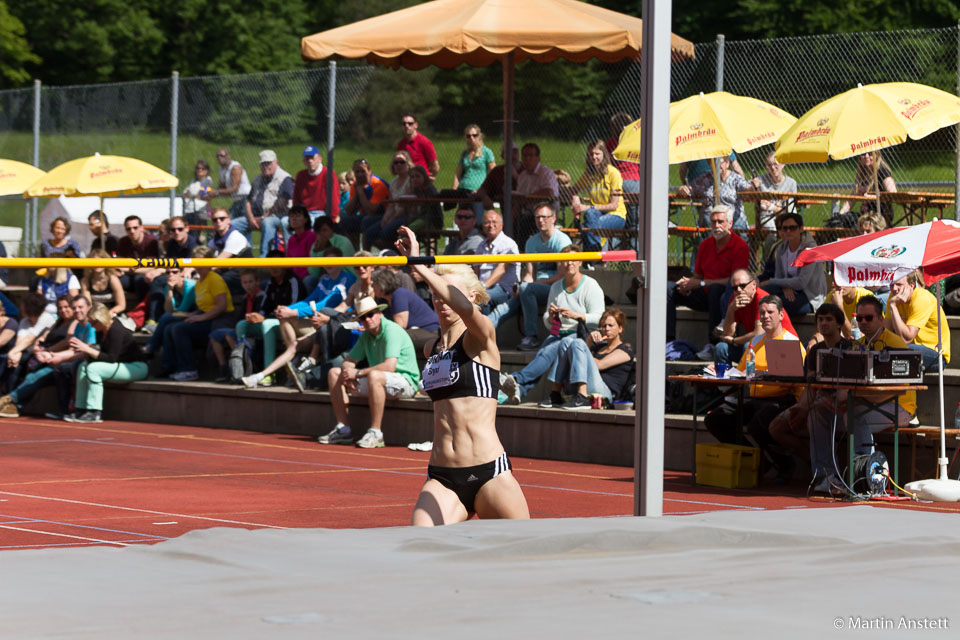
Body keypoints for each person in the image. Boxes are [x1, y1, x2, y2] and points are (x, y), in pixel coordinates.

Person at [393, 226, 528, 524]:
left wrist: (419, 264)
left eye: (449, 293)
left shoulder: (480, 338)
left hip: (489, 472)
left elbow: (463, 308)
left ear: (471, 296)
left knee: (521, 556)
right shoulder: (432, 348)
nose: (442, 299)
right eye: (436, 293)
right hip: (443, 477)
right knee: (421, 543)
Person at [808, 296, 916, 492]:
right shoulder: (857, 345)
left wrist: (856, 400)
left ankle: (864, 478)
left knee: (855, 414)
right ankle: (827, 477)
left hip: (900, 408)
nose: (863, 323)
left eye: (869, 318)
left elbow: (900, 389)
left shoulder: (895, 343)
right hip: (863, 405)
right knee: (817, 413)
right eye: (860, 318)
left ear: (881, 319)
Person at [703, 295, 804, 482]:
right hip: (753, 397)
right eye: (762, 313)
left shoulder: (790, 342)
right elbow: (740, 372)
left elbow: (796, 382)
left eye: (770, 312)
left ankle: (785, 464)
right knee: (715, 418)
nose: (765, 316)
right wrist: (718, 370)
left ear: (781, 315)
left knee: (758, 423)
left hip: (782, 399)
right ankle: (756, 460)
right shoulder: (756, 341)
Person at [500, 245, 605, 405]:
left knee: (546, 352)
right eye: (565, 260)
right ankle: (520, 389)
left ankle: (516, 379)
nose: (569, 263)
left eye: (573, 260)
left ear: (580, 262)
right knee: (543, 355)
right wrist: (551, 317)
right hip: (558, 333)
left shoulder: (591, 286)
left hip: (580, 336)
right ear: (560, 264)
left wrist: (577, 316)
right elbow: (549, 322)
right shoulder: (556, 287)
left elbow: (600, 319)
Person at [242, 248, 354, 389]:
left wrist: (293, 312)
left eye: (333, 260)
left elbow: (324, 305)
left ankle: (271, 371)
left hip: (331, 327)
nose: (329, 263)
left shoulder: (347, 280)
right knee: (287, 327)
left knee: (293, 339)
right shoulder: (324, 279)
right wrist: (288, 309)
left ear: (341, 261)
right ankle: (264, 374)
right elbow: (310, 300)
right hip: (318, 323)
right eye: (326, 260)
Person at [320, 296, 420, 449]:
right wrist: (348, 374)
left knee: (374, 375)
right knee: (334, 373)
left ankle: (376, 433)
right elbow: (348, 360)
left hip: (406, 382)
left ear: (379, 314)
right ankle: (343, 429)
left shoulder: (392, 330)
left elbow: (389, 366)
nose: (367, 319)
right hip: (380, 381)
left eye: (370, 314)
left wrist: (357, 374)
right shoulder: (366, 335)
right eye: (363, 318)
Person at [768, 303, 852, 478]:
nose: (824, 323)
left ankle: (827, 475)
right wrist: (802, 407)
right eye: (820, 319)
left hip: (841, 404)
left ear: (839, 324)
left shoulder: (849, 348)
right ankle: (814, 464)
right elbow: (811, 385)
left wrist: (807, 409)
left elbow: (847, 389)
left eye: (829, 319)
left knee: (814, 417)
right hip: (815, 400)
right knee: (776, 427)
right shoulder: (815, 350)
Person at [491, 202, 572, 350]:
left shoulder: (562, 241)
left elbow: (562, 275)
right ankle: (479, 333)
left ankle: (532, 337)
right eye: (537, 217)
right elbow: (529, 274)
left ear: (553, 218)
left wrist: (537, 284)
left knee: (527, 290)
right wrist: (522, 286)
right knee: (503, 308)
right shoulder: (531, 242)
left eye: (544, 217)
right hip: (533, 289)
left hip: (556, 288)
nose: (541, 221)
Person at [0, 295, 96, 419]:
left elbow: (78, 348)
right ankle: (13, 405)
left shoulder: (83, 325)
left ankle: (7, 400)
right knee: (17, 365)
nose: (65, 310)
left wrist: (53, 354)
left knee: (39, 375)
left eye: (68, 307)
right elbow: (43, 339)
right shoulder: (62, 323)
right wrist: (41, 351)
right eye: (61, 307)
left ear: (89, 307)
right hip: (51, 358)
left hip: (67, 361)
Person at [666, 205, 749, 343]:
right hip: (703, 293)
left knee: (715, 290)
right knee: (668, 289)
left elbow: (735, 283)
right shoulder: (705, 245)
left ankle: (714, 343)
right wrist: (688, 284)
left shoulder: (740, 246)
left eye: (720, 222)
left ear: (730, 224)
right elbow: (698, 276)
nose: (716, 225)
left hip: (724, 296)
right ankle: (668, 341)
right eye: (713, 222)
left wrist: (701, 283)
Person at [61, 302, 148, 424]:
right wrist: (85, 353)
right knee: (82, 366)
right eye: (90, 322)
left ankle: (94, 412)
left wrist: (87, 349)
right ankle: (80, 408)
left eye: (93, 322)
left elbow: (111, 358)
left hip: (136, 367)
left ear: (101, 319)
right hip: (119, 366)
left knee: (93, 369)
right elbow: (102, 355)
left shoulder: (116, 330)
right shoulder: (101, 330)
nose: (91, 325)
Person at [541, 307, 635, 410]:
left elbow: (599, 365)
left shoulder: (625, 350)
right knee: (565, 342)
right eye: (604, 326)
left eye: (610, 325)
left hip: (604, 393)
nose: (606, 329)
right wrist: (589, 340)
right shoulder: (599, 347)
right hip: (582, 385)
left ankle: (582, 397)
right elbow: (581, 357)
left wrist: (581, 350)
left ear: (620, 329)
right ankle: (555, 393)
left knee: (578, 343)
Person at [162, 246, 233, 381]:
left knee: (179, 329)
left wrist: (200, 317)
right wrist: (192, 315)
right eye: (196, 262)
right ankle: (170, 366)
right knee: (169, 326)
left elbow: (222, 306)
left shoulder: (214, 279)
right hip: (206, 317)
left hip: (219, 319)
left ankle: (189, 370)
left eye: (202, 262)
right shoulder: (200, 282)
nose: (199, 266)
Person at [235, 251, 305, 379]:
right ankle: (242, 369)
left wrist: (265, 317)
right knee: (242, 325)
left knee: (267, 324)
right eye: (270, 264)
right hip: (272, 321)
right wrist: (255, 316)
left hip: (290, 323)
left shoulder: (293, 281)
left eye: (277, 263)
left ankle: (268, 374)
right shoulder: (269, 283)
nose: (273, 267)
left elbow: (293, 309)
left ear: (284, 265)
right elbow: (264, 308)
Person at [716, 268, 797, 365]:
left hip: (782, 348)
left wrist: (734, 340)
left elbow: (758, 333)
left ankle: (749, 379)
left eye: (742, 286)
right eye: (734, 288)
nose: (738, 290)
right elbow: (727, 333)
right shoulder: (735, 300)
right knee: (721, 348)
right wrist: (730, 310)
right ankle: (724, 378)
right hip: (759, 345)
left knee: (749, 346)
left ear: (754, 285)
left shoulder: (762, 299)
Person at [759, 212, 827, 317]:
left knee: (777, 305)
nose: (788, 231)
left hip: (809, 296)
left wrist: (772, 281)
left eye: (792, 228)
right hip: (788, 289)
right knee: (761, 293)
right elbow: (779, 276)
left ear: (801, 228)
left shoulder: (810, 250)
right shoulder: (782, 248)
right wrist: (785, 287)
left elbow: (801, 282)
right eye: (784, 228)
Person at [886, 270, 950, 372]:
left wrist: (893, 306)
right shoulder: (893, 296)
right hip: (911, 349)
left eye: (899, 284)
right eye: (891, 285)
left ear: (911, 285)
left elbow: (906, 338)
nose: (894, 289)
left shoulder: (921, 298)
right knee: (879, 349)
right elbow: (885, 331)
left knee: (897, 352)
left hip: (936, 355)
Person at [569, 139, 626, 252]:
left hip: (616, 216)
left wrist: (588, 207)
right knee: (590, 217)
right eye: (591, 154)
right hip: (595, 214)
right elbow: (573, 190)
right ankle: (592, 260)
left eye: (597, 154)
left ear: (604, 154)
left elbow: (614, 206)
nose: (594, 157)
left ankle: (594, 256)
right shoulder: (589, 174)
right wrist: (576, 200)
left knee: (589, 225)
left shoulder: (613, 173)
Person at [209, 270, 265, 383]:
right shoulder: (245, 298)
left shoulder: (261, 296)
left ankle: (241, 366)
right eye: (245, 283)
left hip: (253, 328)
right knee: (214, 336)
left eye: (250, 282)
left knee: (230, 336)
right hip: (241, 326)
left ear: (257, 282)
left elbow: (261, 315)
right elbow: (239, 317)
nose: (248, 285)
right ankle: (223, 368)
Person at [371, 268, 439, 353]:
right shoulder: (382, 300)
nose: (372, 286)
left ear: (381, 284)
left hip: (430, 331)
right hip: (414, 330)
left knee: (393, 337)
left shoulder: (399, 294)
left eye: (374, 283)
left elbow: (400, 326)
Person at [239, 150, 292, 256]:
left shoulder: (285, 178)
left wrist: (263, 218)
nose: (266, 166)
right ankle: (240, 258)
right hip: (255, 218)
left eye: (269, 163)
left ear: (276, 163)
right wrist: (251, 218)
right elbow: (248, 201)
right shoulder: (257, 179)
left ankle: (263, 258)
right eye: (263, 164)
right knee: (232, 225)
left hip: (277, 216)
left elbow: (282, 203)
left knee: (267, 223)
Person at [679, 155, 751, 229]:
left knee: (738, 225)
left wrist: (753, 186)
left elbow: (747, 188)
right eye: (713, 163)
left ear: (727, 163)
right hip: (711, 221)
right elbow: (688, 189)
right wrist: (682, 189)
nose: (717, 166)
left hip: (732, 220)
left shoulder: (735, 178)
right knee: (708, 219)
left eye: (720, 163)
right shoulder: (705, 179)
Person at [475, 210, 520, 321]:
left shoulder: (508, 244)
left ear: (502, 224)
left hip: (505, 290)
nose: (491, 225)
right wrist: (473, 287)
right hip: (484, 288)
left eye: (494, 222)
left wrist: (482, 288)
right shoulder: (481, 246)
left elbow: (501, 270)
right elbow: (476, 271)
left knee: (482, 298)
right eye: (487, 222)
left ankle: (482, 333)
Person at [514, 143, 560, 246]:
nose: (527, 159)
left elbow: (549, 193)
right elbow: (518, 198)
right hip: (525, 213)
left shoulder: (546, 173)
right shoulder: (522, 176)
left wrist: (528, 198)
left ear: (538, 158)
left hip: (545, 214)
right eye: (525, 156)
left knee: (522, 225)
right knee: (508, 222)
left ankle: (524, 255)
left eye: (531, 156)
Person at [751, 151, 799, 247]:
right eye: (769, 165)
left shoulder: (791, 183)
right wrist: (753, 187)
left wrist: (772, 207)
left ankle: (790, 258)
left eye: (775, 164)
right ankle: (768, 260)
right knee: (772, 233)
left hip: (785, 217)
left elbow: (789, 210)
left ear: (782, 164)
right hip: (767, 218)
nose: (772, 168)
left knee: (792, 230)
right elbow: (749, 195)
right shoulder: (761, 180)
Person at [837, 152, 897, 227]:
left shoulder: (882, 171)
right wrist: (840, 214)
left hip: (878, 217)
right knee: (838, 221)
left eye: (870, 154)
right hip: (865, 216)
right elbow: (851, 199)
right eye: (863, 154)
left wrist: (874, 197)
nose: (866, 156)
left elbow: (893, 193)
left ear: (877, 155)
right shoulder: (862, 174)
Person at [339, 158, 390, 247]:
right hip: (366, 215)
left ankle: (366, 255)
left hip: (385, 216)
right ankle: (354, 253)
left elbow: (371, 210)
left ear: (369, 171)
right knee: (345, 221)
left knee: (366, 221)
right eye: (357, 172)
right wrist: (356, 194)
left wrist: (361, 192)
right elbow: (349, 211)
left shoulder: (377, 184)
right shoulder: (356, 184)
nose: (360, 174)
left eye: (363, 171)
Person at [605, 112, 640, 232]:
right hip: (633, 180)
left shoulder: (610, 142)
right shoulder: (635, 141)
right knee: (634, 214)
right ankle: (633, 238)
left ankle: (622, 239)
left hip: (617, 182)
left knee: (619, 212)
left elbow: (607, 163)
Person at [453, 123, 495, 217]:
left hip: (477, 193)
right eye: (468, 136)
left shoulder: (486, 152)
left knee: (477, 220)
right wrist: (454, 191)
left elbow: (493, 172)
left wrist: (484, 189)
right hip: (463, 191)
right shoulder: (465, 154)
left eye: (474, 135)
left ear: (480, 136)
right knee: (463, 218)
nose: (471, 138)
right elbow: (457, 174)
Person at [116, 215, 159, 305]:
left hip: (145, 277)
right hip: (128, 276)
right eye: (129, 229)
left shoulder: (151, 241)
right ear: (125, 230)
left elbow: (152, 267)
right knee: (116, 280)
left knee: (140, 279)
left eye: (135, 228)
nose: (132, 231)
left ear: (141, 227)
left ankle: (142, 312)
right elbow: (119, 265)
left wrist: (131, 269)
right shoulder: (123, 241)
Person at [293, 145, 339, 223]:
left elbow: (334, 197)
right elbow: (296, 198)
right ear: (304, 162)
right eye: (307, 159)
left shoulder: (328, 173)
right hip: (304, 212)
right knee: (285, 222)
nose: (310, 161)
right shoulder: (301, 175)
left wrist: (332, 218)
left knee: (310, 222)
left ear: (319, 159)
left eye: (312, 158)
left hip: (322, 212)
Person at [307, 216, 355, 289]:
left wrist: (321, 251)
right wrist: (317, 251)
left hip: (347, 277)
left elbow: (337, 267)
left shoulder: (343, 242)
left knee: (324, 279)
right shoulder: (315, 246)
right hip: (327, 277)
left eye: (324, 230)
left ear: (332, 229)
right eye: (319, 231)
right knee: (309, 280)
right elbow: (314, 273)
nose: (322, 234)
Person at [80, 250, 126, 318]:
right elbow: (88, 305)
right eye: (94, 262)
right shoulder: (85, 281)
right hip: (94, 316)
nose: (97, 264)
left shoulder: (113, 279)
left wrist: (107, 314)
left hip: (113, 316)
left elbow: (121, 305)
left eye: (100, 261)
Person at [36, 254, 81, 319]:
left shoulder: (71, 278)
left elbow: (74, 300)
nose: (47, 264)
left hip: (62, 313)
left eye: (50, 262)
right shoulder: (43, 279)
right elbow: (38, 300)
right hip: (44, 313)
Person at [477, 143, 521, 210]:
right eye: (509, 152)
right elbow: (482, 190)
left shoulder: (526, 170)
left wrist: (516, 176)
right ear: (502, 156)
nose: (512, 155)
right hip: (505, 210)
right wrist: (485, 198)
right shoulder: (497, 171)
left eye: (515, 152)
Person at [212, 148, 251, 221]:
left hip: (245, 200)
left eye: (222, 155)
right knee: (228, 222)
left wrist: (216, 192)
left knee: (244, 225)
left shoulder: (235, 167)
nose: (219, 157)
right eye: (218, 156)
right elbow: (221, 187)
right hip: (236, 201)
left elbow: (234, 188)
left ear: (228, 156)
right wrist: (209, 192)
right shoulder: (222, 169)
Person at [397, 112, 439, 178]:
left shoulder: (425, 142)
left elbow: (434, 165)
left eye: (410, 123)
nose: (407, 126)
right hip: (406, 179)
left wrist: (427, 179)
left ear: (416, 125)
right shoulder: (401, 144)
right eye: (404, 124)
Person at [284, 205, 316, 283]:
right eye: (292, 216)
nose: (294, 219)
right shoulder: (291, 239)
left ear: (305, 219)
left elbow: (312, 263)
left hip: (307, 277)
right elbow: (288, 263)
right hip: (294, 278)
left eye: (298, 216)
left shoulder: (311, 237)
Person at [182, 159, 214, 228]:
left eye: (203, 168)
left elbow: (203, 195)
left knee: (197, 230)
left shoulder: (207, 180)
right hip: (189, 209)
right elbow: (185, 194)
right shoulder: (193, 181)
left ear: (207, 170)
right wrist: (193, 195)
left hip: (200, 210)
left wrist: (191, 195)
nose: (200, 170)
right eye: (198, 168)